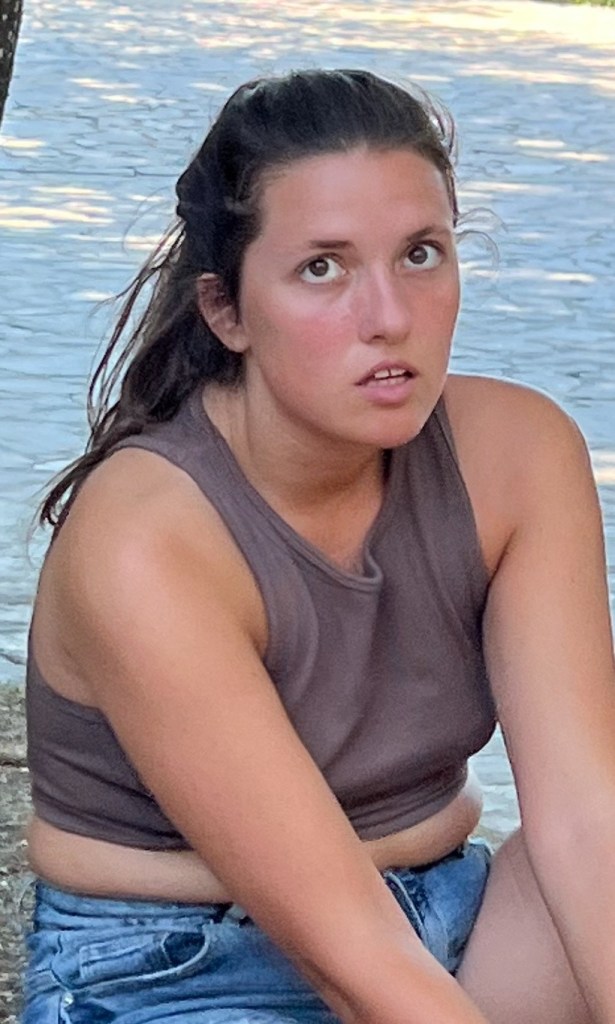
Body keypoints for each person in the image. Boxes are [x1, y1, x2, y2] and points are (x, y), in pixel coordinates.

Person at [20, 68, 615, 1024]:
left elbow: (587, 827)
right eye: (322, 269)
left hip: (452, 916)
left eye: (420, 254)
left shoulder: (520, 456)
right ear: (226, 310)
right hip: (174, 967)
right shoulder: (147, 539)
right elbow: (353, 958)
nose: (389, 316)